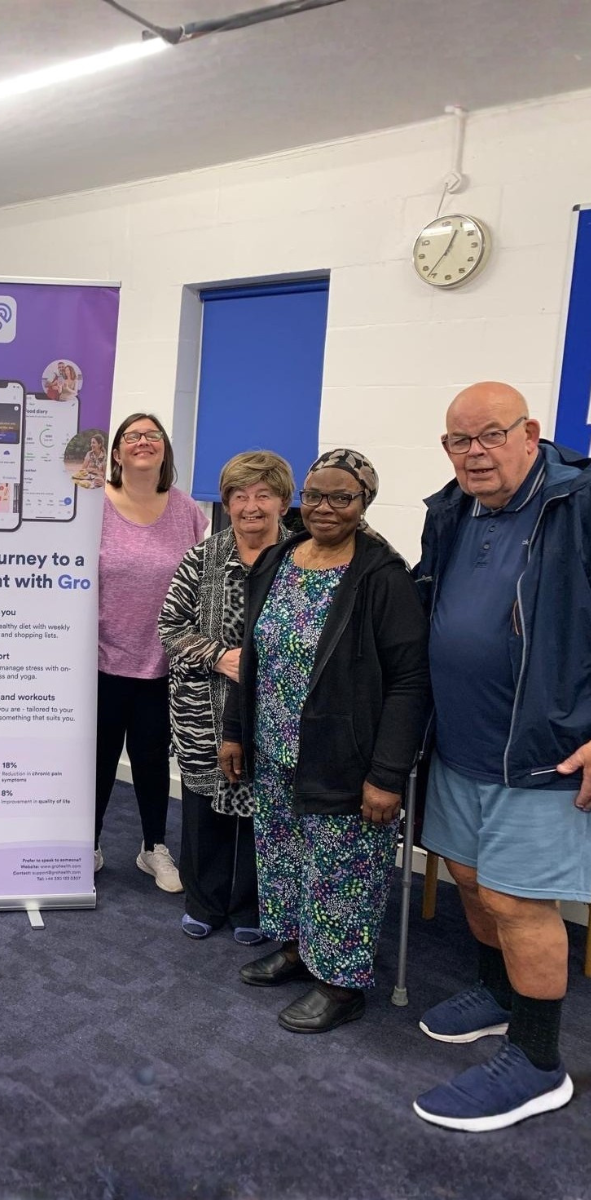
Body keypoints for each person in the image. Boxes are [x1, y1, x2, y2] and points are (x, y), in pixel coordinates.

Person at [411, 381, 589, 1131]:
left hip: (541, 755)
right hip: (458, 745)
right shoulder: (450, 509)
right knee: (473, 881)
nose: (474, 453)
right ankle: (499, 992)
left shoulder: (576, 505)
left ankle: (539, 1063)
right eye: (459, 440)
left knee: (520, 902)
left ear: (531, 432)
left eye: (490, 435)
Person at [219, 449, 429, 1033]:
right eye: (315, 495)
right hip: (275, 746)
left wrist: (387, 773)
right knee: (284, 857)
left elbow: (411, 681)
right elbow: (252, 652)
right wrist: (236, 729)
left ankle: (341, 982)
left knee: (343, 869)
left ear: (364, 503)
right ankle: (297, 948)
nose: (325, 508)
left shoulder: (382, 575)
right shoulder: (281, 557)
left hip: (346, 755)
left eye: (342, 497)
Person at [159, 450, 293, 944]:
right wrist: (220, 655)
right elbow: (168, 627)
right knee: (203, 810)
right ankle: (204, 901)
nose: (250, 506)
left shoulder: (301, 558)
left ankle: (252, 906)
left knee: (266, 809)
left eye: (263, 495)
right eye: (239, 495)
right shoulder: (203, 556)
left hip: (274, 712)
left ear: (283, 501)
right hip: (203, 711)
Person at [96, 413, 208, 891]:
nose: (143, 442)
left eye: (152, 435)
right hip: (100, 658)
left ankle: (153, 847)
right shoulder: (91, 505)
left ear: (164, 450)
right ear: (117, 453)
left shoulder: (187, 512)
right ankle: (88, 842)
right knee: (97, 758)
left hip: (164, 662)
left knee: (150, 759)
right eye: (132, 436)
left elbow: (204, 583)